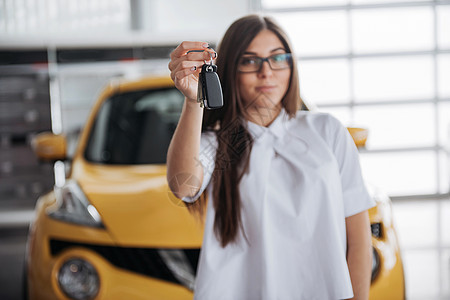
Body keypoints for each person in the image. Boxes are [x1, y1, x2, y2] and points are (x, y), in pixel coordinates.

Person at [167, 14, 375, 300]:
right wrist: (194, 100)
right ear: (229, 71)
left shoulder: (327, 131)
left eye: (277, 58)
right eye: (250, 61)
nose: (266, 72)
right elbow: (183, 186)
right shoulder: (217, 144)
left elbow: (359, 238)